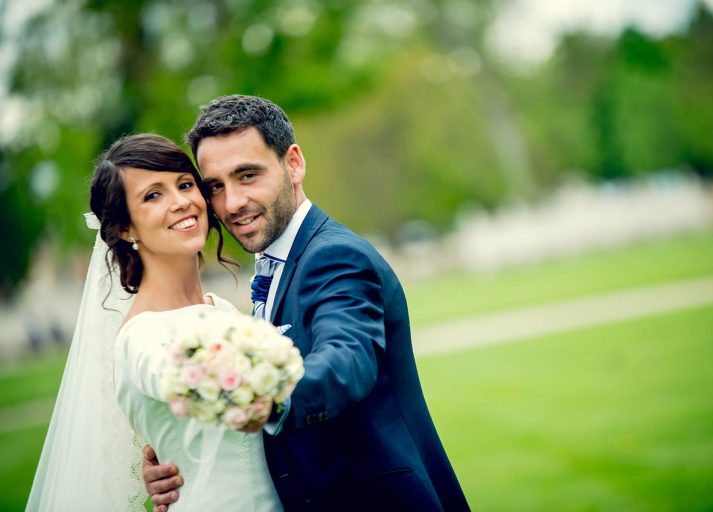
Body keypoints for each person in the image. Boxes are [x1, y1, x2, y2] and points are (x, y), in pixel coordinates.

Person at [144, 95, 470, 511]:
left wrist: (246, 390)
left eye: (247, 175)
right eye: (216, 187)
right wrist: (183, 456)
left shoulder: (334, 257)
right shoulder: (277, 261)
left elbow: (346, 360)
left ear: (293, 164)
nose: (232, 203)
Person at [26, 134, 284, 511]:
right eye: (153, 195)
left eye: (183, 184)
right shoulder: (143, 339)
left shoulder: (222, 310)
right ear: (126, 229)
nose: (181, 202)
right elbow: (214, 389)